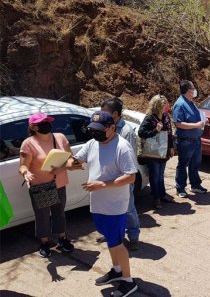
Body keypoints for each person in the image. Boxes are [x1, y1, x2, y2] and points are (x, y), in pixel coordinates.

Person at [67, 111, 139, 297]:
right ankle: (116, 270)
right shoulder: (93, 143)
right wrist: (70, 162)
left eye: (100, 130)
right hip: (98, 204)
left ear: (112, 128)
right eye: (93, 130)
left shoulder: (122, 147)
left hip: (115, 206)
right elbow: (77, 158)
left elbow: (130, 176)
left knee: (117, 243)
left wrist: (102, 185)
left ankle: (128, 281)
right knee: (110, 240)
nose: (95, 134)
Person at [18, 113, 75, 257]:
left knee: (59, 213)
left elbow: (70, 158)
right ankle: (44, 243)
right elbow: (23, 166)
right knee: (42, 216)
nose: (46, 125)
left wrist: (69, 165)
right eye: (42, 123)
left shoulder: (60, 137)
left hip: (59, 183)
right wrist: (26, 173)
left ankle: (62, 239)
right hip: (41, 186)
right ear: (33, 127)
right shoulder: (28, 143)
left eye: (47, 121)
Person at [101, 97, 141, 250]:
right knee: (110, 208)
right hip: (108, 176)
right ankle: (113, 234)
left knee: (128, 208)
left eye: (105, 113)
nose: (101, 116)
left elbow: (129, 160)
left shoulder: (126, 132)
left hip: (123, 178)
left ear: (115, 114)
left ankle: (133, 237)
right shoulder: (105, 128)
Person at [137, 95, 176, 209]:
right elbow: (141, 132)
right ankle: (156, 199)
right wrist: (156, 130)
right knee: (155, 176)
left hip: (163, 152)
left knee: (160, 175)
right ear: (158, 106)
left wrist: (171, 147)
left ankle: (162, 195)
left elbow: (169, 133)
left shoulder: (165, 117)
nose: (167, 106)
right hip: (152, 153)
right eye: (164, 105)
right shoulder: (150, 118)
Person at [172, 80, 207, 198]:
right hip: (186, 141)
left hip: (196, 139)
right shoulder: (180, 104)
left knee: (195, 164)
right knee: (183, 165)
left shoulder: (191, 102)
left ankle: (195, 185)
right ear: (189, 90)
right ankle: (180, 188)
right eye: (193, 88)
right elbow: (178, 123)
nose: (195, 90)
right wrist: (196, 125)